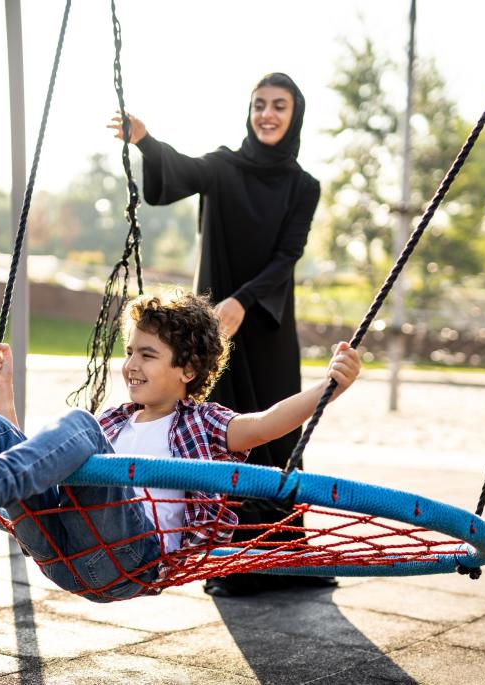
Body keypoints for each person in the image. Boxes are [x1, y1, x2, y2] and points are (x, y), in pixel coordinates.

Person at [0, 292, 360, 602]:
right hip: (65, 552)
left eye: (147, 355)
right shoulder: (114, 420)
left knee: (82, 428)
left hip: (131, 558)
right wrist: (4, 390)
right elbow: (26, 463)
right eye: (130, 352)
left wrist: (328, 387)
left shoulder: (203, 425)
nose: (130, 365)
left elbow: (266, 424)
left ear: (188, 369)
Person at [107, 73, 322, 596]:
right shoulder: (224, 166)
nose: (268, 114)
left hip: (267, 325)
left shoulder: (303, 186)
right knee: (220, 431)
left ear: (295, 115)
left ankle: (280, 551)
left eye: (279, 106)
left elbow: (286, 258)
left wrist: (243, 301)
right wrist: (145, 141)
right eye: (260, 105)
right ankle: (231, 557)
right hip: (211, 334)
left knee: (276, 433)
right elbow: (177, 173)